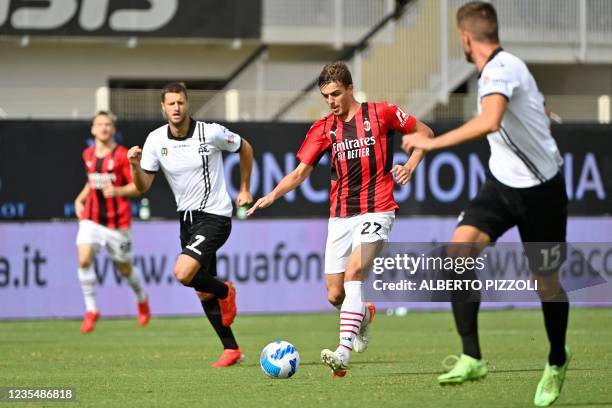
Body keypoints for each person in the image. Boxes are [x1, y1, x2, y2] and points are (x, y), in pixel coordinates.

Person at [402, 2, 570, 406]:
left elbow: (490, 120)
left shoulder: (501, 68)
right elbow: (532, 110)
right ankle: (472, 356)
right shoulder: (502, 69)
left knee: (545, 283)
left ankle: (557, 359)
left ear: (465, 37)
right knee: (458, 250)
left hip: (542, 192)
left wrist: (430, 142)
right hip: (501, 184)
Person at [247, 62, 433, 376]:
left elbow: (424, 133)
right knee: (335, 293)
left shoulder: (382, 113)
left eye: (335, 94)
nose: (331, 101)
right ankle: (364, 316)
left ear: (349, 88)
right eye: (326, 96)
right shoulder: (323, 128)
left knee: (355, 270)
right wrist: (271, 196)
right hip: (341, 215)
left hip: (379, 207)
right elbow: (300, 173)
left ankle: (343, 352)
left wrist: (411, 165)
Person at [127, 82, 254, 368]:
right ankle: (231, 349)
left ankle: (226, 291)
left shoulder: (210, 132)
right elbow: (143, 185)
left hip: (215, 216)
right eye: (170, 103)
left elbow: (245, 147)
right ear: (163, 107)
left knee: (183, 273)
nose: (176, 108)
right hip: (187, 220)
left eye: (180, 102)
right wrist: (135, 166)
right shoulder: (155, 140)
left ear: (187, 104)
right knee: (201, 289)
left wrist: (244, 188)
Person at [74, 111, 150, 334]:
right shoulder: (87, 154)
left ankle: (141, 298)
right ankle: (91, 310)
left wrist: (117, 190)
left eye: (108, 124)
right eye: (100, 124)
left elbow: (138, 186)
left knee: (124, 268)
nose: (104, 128)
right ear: (93, 129)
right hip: (92, 220)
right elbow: (92, 181)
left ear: (113, 129)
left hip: (118, 224)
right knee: (84, 259)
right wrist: (79, 199)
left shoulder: (122, 155)